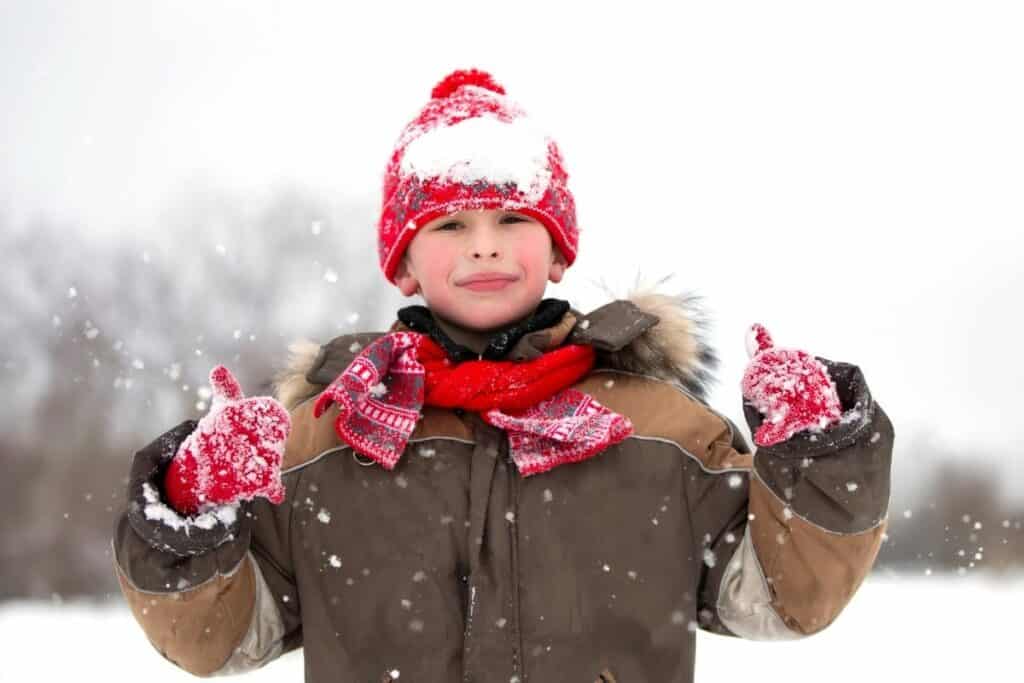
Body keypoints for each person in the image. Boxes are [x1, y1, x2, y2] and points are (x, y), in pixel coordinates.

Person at [112, 68, 894, 683]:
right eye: (451, 225)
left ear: (557, 250)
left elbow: (790, 595)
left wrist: (818, 460)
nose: (484, 245)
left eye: (513, 219)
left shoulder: (661, 430)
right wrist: (190, 514)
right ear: (405, 265)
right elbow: (218, 641)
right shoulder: (327, 438)